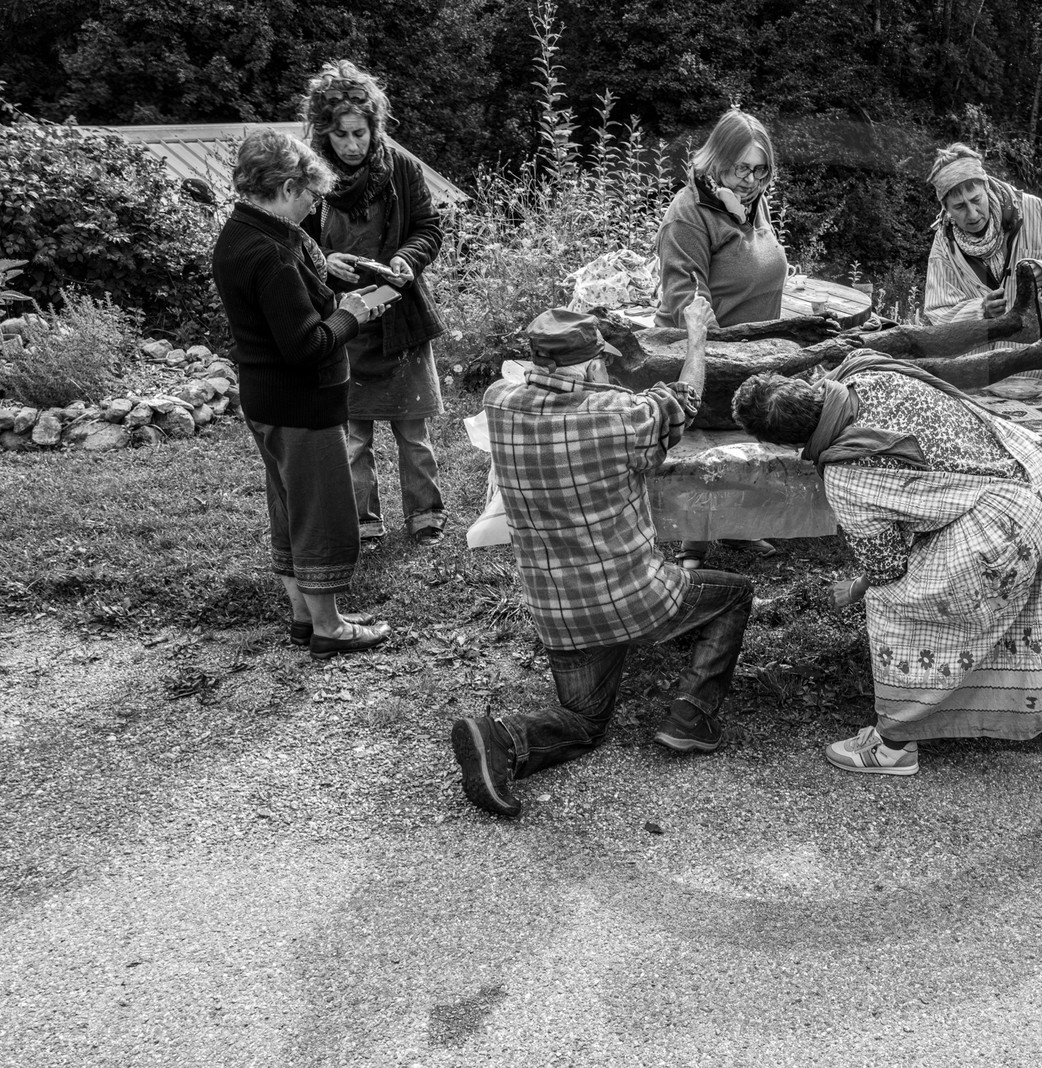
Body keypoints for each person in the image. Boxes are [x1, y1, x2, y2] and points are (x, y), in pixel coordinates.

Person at [450, 299, 754, 819]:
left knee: (585, 722)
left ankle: (503, 739)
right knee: (734, 594)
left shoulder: (500, 401)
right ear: (592, 364)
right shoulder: (622, 416)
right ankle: (691, 718)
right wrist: (696, 333)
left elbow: (533, 389)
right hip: (636, 594)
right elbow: (686, 397)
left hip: (559, 610)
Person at [731, 353, 1042, 777]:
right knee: (920, 582)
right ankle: (998, 701)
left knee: (895, 601)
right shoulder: (871, 373)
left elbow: (885, 567)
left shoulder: (847, 475)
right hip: (1037, 470)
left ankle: (895, 745)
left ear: (781, 443)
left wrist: (856, 587)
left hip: (1007, 523)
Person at [211, 128, 392, 659]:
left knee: (289, 508)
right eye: (311, 194)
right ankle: (330, 628)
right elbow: (307, 345)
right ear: (288, 186)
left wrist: (334, 293)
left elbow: (291, 310)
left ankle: (302, 616)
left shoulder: (243, 232)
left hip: (268, 399)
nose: (315, 204)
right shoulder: (269, 252)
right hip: (300, 402)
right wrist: (352, 316)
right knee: (321, 512)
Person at [301, 60, 449, 547]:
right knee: (353, 438)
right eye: (340, 136)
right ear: (324, 134)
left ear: (374, 126)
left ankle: (425, 516)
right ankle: (363, 521)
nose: (351, 145)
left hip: (399, 314)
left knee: (412, 431)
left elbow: (429, 228)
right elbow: (291, 245)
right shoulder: (309, 178)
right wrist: (325, 263)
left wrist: (408, 259)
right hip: (343, 320)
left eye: (359, 133)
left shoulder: (401, 168)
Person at [654, 107, 787, 567]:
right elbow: (689, 303)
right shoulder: (688, 215)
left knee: (744, 437)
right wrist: (719, 348)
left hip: (753, 348)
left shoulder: (749, 201)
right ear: (716, 160)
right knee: (708, 445)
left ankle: (735, 529)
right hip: (708, 353)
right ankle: (694, 542)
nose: (751, 179)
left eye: (760, 169)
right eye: (741, 168)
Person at [923, 143, 1042, 347]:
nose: (972, 214)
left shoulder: (1033, 211)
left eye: (976, 200)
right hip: (982, 371)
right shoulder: (944, 243)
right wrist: (980, 310)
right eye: (960, 207)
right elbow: (938, 312)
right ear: (945, 208)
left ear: (986, 186)